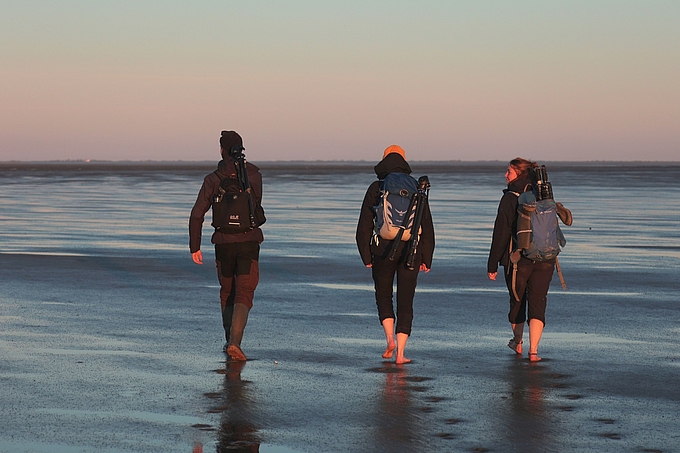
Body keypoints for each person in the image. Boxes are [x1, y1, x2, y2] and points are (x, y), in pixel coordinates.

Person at [356, 145, 435, 364]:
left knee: (383, 294)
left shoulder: (378, 186)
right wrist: (427, 257)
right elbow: (426, 223)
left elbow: (364, 224)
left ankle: (389, 339)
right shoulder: (417, 187)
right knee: (406, 299)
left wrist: (366, 254)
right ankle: (400, 354)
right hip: (412, 249)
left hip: (382, 248)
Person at [189, 130, 264, 361]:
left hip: (223, 243)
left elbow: (197, 214)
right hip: (248, 241)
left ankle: (229, 341)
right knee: (244, 292)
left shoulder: (213, 179)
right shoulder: (253, 175)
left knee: (227, 292)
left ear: (222, 149)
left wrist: (195, 246)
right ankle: (235, 342)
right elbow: (256, 207)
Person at [487, 157, 554, 362]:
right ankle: (534, 351)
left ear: (519, 172)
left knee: (517, 300)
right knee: (538, 302)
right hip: (546, 257)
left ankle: (518, 342)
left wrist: (492, 264)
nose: (505, 175)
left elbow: (501, 232)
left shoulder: (511, 197)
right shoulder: (543, 193)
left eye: (509, 171)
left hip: (518, 259)